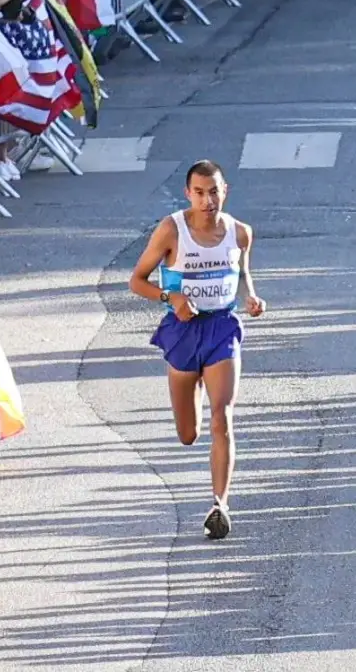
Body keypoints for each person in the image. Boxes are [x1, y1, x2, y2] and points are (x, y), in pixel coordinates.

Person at [128, 160, 266, 541]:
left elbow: (242, 273)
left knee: (223, 417)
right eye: (200, 193)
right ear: (189, 194)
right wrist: (168, 297)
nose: (208, 200)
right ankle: (195, 398)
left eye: (214, 192)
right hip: (183, 330)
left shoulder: (240, 233)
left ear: (226, 191)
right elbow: (136, 280)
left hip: (222, 326)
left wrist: (251, 297)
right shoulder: (171, 230)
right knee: (189, 433)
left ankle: (220, 504)